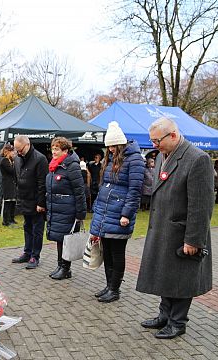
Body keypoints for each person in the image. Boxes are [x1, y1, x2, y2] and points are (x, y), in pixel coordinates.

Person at [136, 117, 214, 339]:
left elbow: (201, 205)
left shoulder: (197, 159)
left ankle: (178, 322)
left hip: (182, 234)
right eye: (152, 141)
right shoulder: (163, 155)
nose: (154, 145)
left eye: (156, 140)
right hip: (164, 231)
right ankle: (164, 315)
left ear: (173, 135)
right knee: (165, 276)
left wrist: (194, 240)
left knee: (181, 279)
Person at [89, 121, 144, 303]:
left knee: (117, 252)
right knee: (108, 253)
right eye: (109, 146)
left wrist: (126, 214)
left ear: (120, 143)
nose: (111, 149)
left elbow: (135, 190)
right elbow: (104, 186)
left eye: (113, 145)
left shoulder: (135, 160)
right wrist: (97, 208)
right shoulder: (110, 159)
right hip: (105, 212)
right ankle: (109, 285)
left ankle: (115, 289)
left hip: (119, 213)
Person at [46, 137, 86, 280]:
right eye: (52, 148)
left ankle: (65, 268)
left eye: (57, 149)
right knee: (59, 239)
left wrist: (81, 213)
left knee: (66, 239)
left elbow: (80, 191)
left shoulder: (72, 166)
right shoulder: (54, 165)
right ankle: (60, 265)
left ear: (65, 150)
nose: (53, 151)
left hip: (68, 209)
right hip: (57, 208)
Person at [11, 135, 48, 269]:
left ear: (27, 145)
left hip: (36, 201)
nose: (18, 152)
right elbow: (17, 178)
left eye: (20, 149)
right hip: (24, 199)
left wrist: (41, 203)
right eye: (16, 150)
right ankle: (27, 252)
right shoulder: (17, 159)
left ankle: (35, 256)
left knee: (37, 229)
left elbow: (42, 183)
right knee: (27, 227)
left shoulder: (40, 159)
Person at [0, 144, 17, 226]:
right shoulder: (4, 161)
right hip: (7, 183)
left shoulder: (11, 161)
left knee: (13, 201)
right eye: (12, 152)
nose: (13, 153)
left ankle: (11, 219)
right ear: (7, 152)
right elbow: (11, 171)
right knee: (8, 202)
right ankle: (5, 221)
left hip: (13, 183)